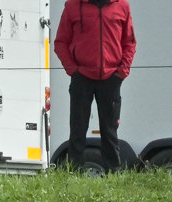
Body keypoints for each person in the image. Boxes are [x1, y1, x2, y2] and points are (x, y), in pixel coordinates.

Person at [54, 0, 136, 174]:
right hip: (81, 78)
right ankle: (74, 174)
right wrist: (73, 70)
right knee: (77, 129)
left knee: (110, 131)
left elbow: (129, 43)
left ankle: (113, 175)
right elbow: (60, 42)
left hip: (111, 78)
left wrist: (121, 72)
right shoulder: (73, 6)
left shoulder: (122, 6)